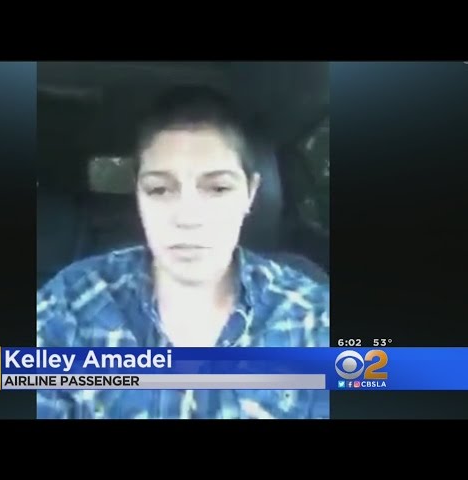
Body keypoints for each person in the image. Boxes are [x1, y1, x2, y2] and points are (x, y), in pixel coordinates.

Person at [37, 85, 330, 419]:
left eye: (218, 188)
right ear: (138, 194)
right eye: (159, 189)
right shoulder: (72, 305)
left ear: (250, 194)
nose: (187, 217)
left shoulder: (310, 316)